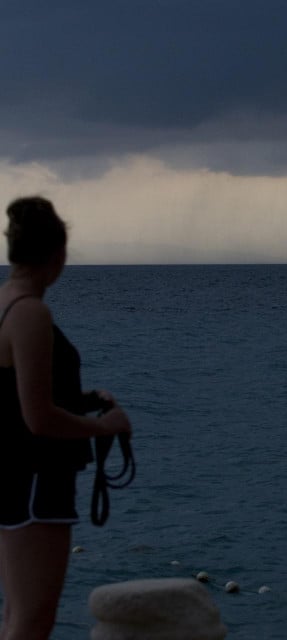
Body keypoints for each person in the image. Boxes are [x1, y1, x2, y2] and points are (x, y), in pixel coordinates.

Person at [0, 196, 132, 640]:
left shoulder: (4, 303)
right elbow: (38, 418)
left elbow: (17, 396)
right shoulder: (31, 313)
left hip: (14, 478)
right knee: (34, 621)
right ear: (58, 255)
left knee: (17, 615)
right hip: (38, 482)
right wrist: (105, 426)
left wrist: (85, 398)